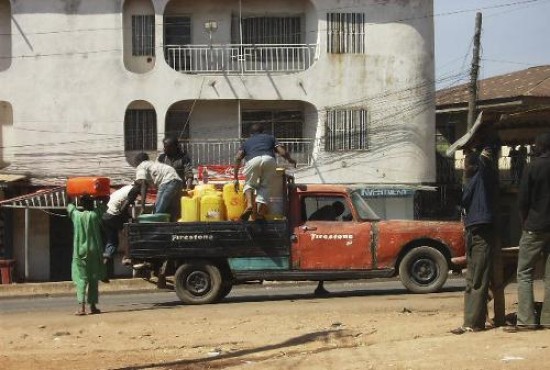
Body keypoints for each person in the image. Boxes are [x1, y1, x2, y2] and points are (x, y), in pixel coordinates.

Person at [451, 126, 500, 335]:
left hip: (480, 231)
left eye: (466, 164)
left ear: (474, 165)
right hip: (473, 232)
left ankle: (473, 323)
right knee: (472, 279)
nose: (464, 168)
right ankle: (471, 320)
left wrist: (482, 136)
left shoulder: (483, 176)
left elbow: (492, 148)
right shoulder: (470, 184)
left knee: (478, 278)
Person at [504, 133, 550, 332]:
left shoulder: (532, 167)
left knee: (524, 273)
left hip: (534, 227)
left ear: (540, 147)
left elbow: (522, 201)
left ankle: (526, 320)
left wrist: (525, 222)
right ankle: (548, 319)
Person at [234, 123, 296, 220]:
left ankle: (250, 205)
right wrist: (291, 160)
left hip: (253, 160)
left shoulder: (247, 142)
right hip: (269, 159)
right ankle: (259, 212)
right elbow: (282, 152)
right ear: (263, 132)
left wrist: (235, 177)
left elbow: (238, 157)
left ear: (251, 134)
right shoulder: (270, 138)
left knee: (249, 184)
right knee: (265, 186)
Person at [68, 195, 107, 316]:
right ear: (92, 204)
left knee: (81, 279)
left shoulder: (76, 216)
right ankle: (93, 307)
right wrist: (98, 195)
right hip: (94, 250)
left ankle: (82, 308)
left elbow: (69, 206)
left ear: (82, 204)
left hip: (80, 251)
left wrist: (71, 194)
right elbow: (106, 201)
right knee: (93, 278)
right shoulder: (95, 215)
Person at [134, 152, 184, 222]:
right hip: (178, 181)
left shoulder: (141, 165)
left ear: (138, 161)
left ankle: (155, 231)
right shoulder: (152, 164)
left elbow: (143, 184)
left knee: (158, 211)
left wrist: (142, 207)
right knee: (172, 211)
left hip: (168, 181)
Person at [102, 182, 141, 266]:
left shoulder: (125, 188)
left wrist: (129, 217)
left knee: (112, 241)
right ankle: (127, 257)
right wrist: (130, 220)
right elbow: (123, 209)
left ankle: (103, 265)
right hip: (114, 214)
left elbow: (122, 207)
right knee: (129, 233)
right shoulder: (134, 190)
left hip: (105, 214)